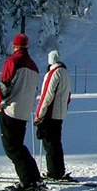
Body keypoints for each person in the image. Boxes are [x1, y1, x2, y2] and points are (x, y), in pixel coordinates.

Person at [0, 33, 43, 191]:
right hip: (24, 111)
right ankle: (34, 177)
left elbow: (5, 84)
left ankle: (27, 180)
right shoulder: (33, 66)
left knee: (11, 147)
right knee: (19, 146)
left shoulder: (13, 61)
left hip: (11, 109)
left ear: (15, 46)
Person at [34, 50, 72, 180]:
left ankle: (54, 171)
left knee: (49, 143)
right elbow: (68, 95)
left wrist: (39, 114)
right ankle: (59, 170)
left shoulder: (53, 73)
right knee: (56, 142)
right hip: (60, 113)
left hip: (50, 113)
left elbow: (46, 95)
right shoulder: (65, 72)